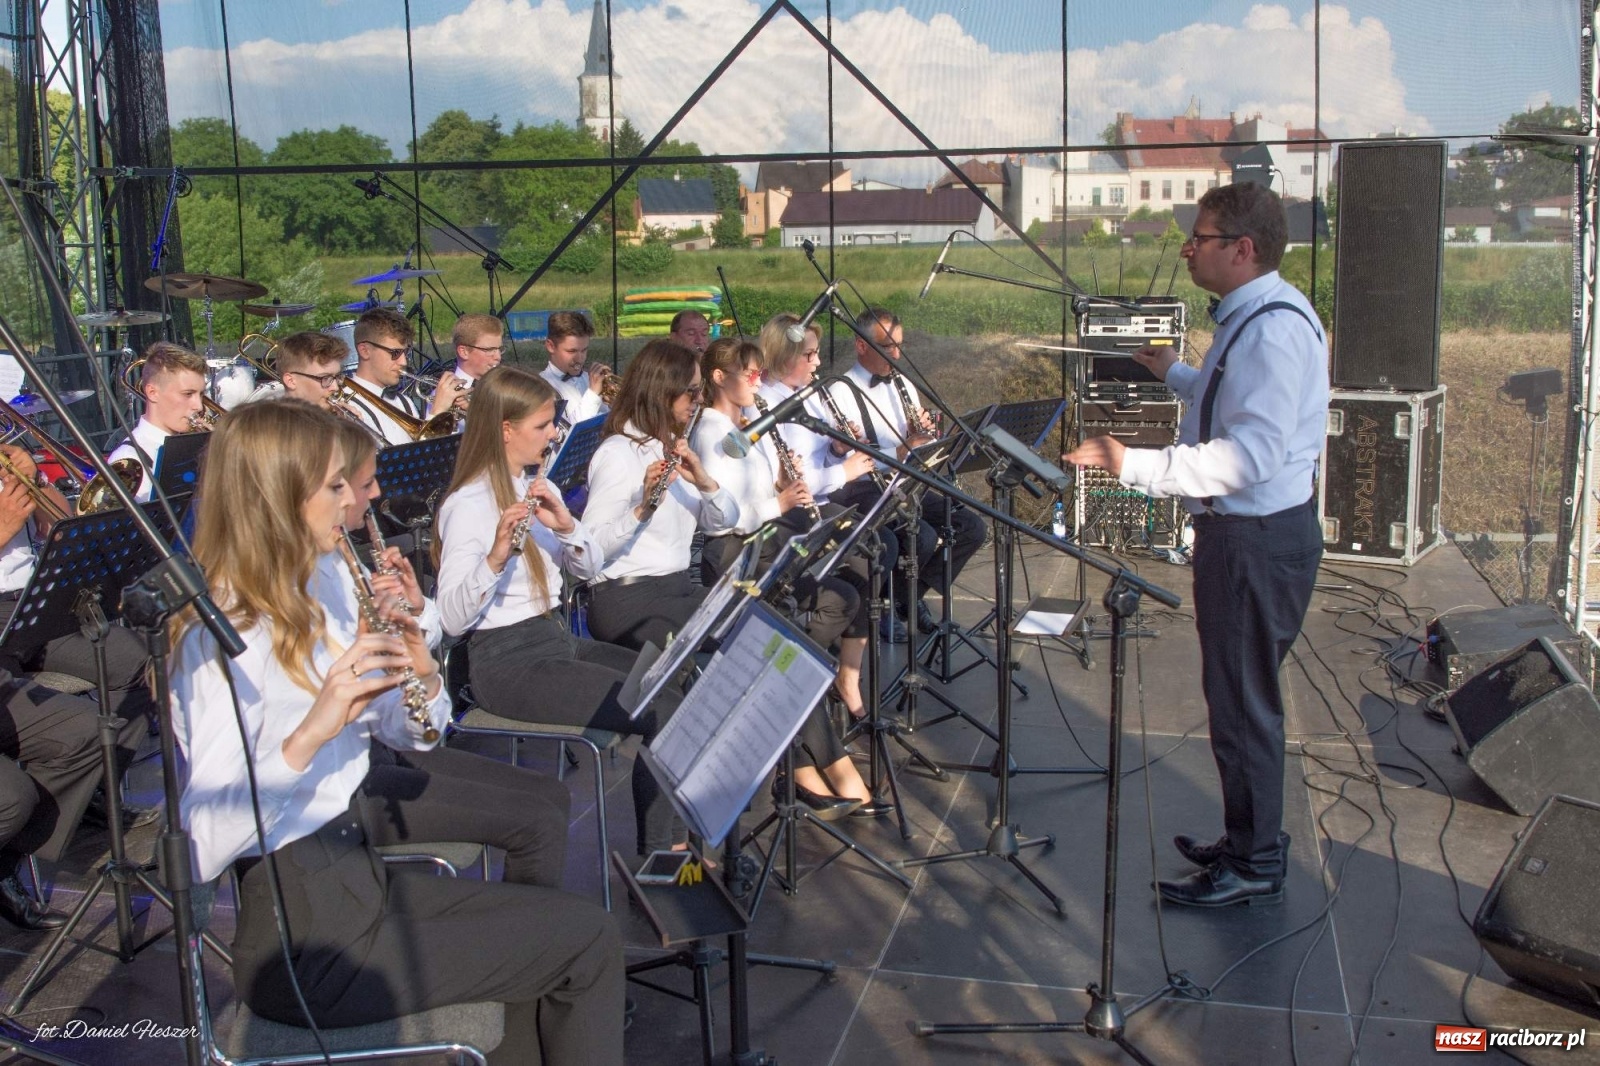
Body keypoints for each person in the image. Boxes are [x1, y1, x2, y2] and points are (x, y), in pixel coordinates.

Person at [172, 401, 622, 1062]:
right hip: (305, 944)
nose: (353, 498)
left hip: (355, 878)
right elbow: (202, 843)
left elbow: (414, 735)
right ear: (278, 496)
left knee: (565, 937)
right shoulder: (226, 631)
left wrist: (420, 670)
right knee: (586, 942)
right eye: (334, 486)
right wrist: (314, 730)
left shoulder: (312, 585)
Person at [1063, 182, 1327, 909]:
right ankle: (1248, 841)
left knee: (1244, 706)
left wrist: (1134, 464)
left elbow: (1252, 456)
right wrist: (1173, 372)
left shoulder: (1271, 330)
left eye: (1201, 238)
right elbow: (1229, 398)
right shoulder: (1255, 318)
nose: (1187, 248)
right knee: (1236, 699)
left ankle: (1256, 862)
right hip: (1248, 538)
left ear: (1241, 250)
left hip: (1253, 541)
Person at [434, 365, 683, 859]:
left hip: (552, 639)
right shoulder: (468, 505)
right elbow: (452, 620)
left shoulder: (531, 484)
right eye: (543, 426)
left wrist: (567, 526)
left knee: (671, 683)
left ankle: (677, 839)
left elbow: (588, 569)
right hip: (507, 662)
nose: (553, 437)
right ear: (506, 430)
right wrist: (496, 556)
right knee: (661, 709)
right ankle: (665, 858)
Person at [332, 417, 574, 890]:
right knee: (536, 819)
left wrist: (415, 611)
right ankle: (535, 942)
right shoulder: (466, 506)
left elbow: (432, 640)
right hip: (347, 779)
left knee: (551, 796)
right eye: (366, 484)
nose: (378, 494)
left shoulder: (339, 561)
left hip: (389, 743)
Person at [690, 339, 873, 816]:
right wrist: (782, 504)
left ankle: (793, 749)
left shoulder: (747, 425)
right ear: (717, 378)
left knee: (838, 604)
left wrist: (788, 490)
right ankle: (815, 765)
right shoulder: (712, 434)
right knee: (790, 650)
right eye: (748, 374)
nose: (757, 382)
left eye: (756, 374)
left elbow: (766, 486)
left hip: (768, 543)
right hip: (736, 555)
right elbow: (720, 519)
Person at [0, 444, 151, 929]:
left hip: (36, 598)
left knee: (141, 663)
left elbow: (62, 527)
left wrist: (36, 486)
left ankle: (87, 796)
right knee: (15, 793)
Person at [824, 308, 985, 635]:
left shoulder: (903, 384)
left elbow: (916, 443)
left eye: (899, 345)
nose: (896, 354)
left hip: (904, 484)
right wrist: (900, 450)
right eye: (887, 346)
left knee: (971, 527)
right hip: (864, 488)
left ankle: (909, 596)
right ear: (861, 345)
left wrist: (924, 436)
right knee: (922, 535)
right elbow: (841, 461)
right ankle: (885, 605)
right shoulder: (839, 392)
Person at [582, 339, 735, 653]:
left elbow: (724, 521)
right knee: (738, 635)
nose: (700, 398)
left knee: (756, 619)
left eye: (699, 388)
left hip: (675, 589)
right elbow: (591, 549)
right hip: (628, 600)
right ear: (662, 393)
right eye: (691, 391)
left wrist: (705, 483)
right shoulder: (618, 452)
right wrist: (641, 510)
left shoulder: (670, 446)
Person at [109, 341, 209, 501]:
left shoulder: (196, 442)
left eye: (201, 394)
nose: (198, 406)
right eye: (188, 394)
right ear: (152, 392)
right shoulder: (129, 459)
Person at [342, 307, 428, 446]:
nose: (403, 362)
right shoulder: (346, 405)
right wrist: (436, 412)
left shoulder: (405, 403)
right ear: (365, 351)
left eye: (405, 353)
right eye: (395, 353)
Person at [540, 311, 612, 427]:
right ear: (551, 346)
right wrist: (593, 394)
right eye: (571, 351)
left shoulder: (588, 379)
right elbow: (568, 433)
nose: (580, 359)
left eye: (584, 350)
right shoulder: (540, 386)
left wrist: (613, 404)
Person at [428, 312, 504, 419]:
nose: (498, 357)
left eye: (499, 349)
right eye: (489, 350)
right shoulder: (443, 395)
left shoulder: (503, 389)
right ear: (464, 352)